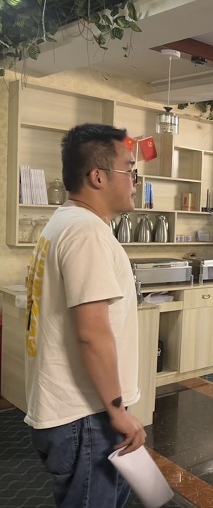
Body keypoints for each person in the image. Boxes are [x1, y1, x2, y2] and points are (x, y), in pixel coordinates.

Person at [25, 123, 145, 507]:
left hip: (77, 412)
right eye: (130, 170)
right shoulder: (86, 232)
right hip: (87, 416)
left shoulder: (64, 223)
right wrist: (117, 411)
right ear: (98, 176)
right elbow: (92, 333)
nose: (135, 182)